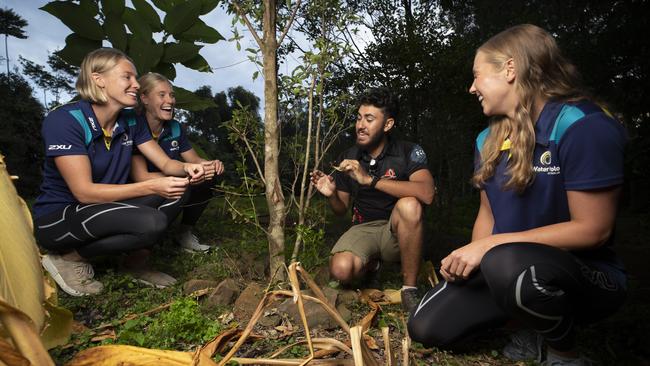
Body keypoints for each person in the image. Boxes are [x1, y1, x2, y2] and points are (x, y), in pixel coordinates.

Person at [407, 24, 627, 366]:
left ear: (510, 69)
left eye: (477, 76)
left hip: (588, 277)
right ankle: (520, 317)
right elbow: (489, 215)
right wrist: (470, 259)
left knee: (506, 261)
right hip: (506, 267)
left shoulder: (583, 125)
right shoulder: (485, 140)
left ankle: (563, 353)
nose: (471, 87)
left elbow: (593, 229)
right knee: (425, 326)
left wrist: (489, 247)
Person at [33, 48, 206, 297]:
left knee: (180, 190)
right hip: (60, 217)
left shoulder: (130, 121)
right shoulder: (65, 120)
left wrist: (188, 167)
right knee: (152, 221)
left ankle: (134, 264)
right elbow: (84, 192)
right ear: (98, 79)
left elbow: (167, 164)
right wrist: (151, 186)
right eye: (128, 77)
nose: (136, 84)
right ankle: (68, 258)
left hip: (106, 205)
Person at [310, 87, 435, 313]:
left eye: (369, 119)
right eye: (359, 118)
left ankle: (409, 289)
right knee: (340, 270)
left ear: (387, 125)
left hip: (396, 230)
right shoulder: (349, 156)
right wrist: (332, 194)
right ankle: (373, 266)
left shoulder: (408, 151)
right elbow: (341, 209)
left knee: (410, 204)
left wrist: (370, 180)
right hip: (364, 227)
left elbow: (426, 193)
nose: (360, 125)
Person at [130, 72, 224, 253]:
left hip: (169, 177)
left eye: (172, 95)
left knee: (207, 178)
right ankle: (142, 244)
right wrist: (187, 174)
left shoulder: (175, 127)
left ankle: (184, 234)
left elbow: (194, 160)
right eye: (162, 95)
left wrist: (211, 165)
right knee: (184, 184)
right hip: (137, 187)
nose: (170, 100)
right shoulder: (134, 125)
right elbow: (140, 176)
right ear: (145, 98)